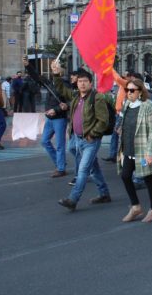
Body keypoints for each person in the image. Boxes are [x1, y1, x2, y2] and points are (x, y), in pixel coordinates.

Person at [52, 62, 111, 211]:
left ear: (91, 83)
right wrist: (56, 74)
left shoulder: (97, 98)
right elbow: (61, 89)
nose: (82, 84)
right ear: (76, 83)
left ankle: (73, 199)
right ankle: (104, 193)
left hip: (90, 140)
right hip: (77, 139)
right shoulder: (76, 96)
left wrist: (93, 134)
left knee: (83, 170)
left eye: (85, 81)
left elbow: (103, 120)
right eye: (80, 81)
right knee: (93, 167)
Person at [117, 78, 152, 223]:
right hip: (129, 147)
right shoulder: (127, 104)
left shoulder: (147, 105)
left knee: (148, 178)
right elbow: (124, 122)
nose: (128, 93)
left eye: (132, 90)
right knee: (125, 176)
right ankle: (136, 207)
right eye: (127, 90)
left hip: (143, 149)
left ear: (140, 91)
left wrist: (150, 152)